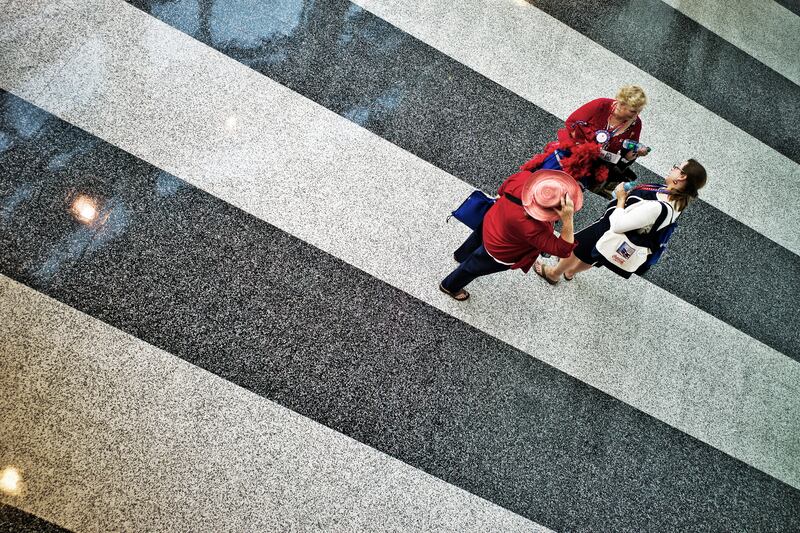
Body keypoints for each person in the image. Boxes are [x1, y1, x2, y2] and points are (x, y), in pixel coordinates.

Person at [534, 159, 707, 284]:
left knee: (577, 249)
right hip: (618, 240)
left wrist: (621, 198)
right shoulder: (677, 200)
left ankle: (554, 274)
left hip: (609, 230)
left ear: (682, 177)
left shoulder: (658, 206)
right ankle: (570, 272)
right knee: (594, 257)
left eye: (677, 167)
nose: (672, 168)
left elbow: (618, 225)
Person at [439, 169, 582, 301]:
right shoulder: (534, 228)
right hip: (500, 250)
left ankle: (460, 255)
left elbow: (501, 190)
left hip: (491, 220)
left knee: (477, 238)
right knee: (473, 267)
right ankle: (450, 286)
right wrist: (568, 219)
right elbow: (563, 249)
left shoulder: (524, 177)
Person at [520, 85, 650, 196]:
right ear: (622, 104)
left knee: (566, 195)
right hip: (570, 154)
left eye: (639, 111)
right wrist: (582, 146)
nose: (636, 115)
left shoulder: (636, 123)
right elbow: (571, 122)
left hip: (593, 166)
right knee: (541, 179)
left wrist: (634, 154)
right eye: (633, 111)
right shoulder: (601, 105)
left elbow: (627, 150)